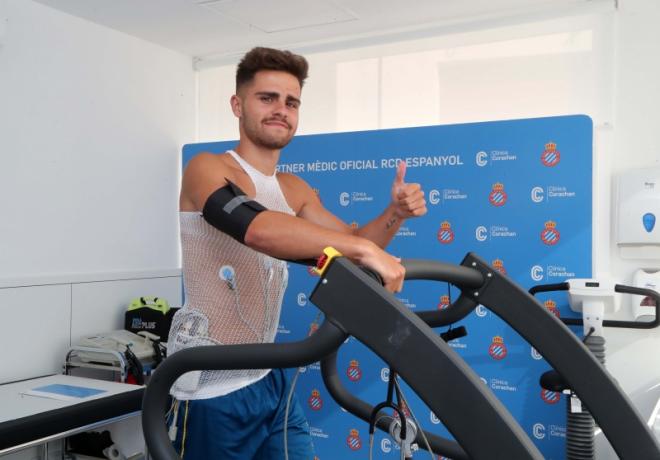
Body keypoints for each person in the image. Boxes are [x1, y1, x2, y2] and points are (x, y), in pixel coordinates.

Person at [167, 46, 427, 460]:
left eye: (291, 102)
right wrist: (358, 245)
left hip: (269, 376)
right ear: (238, 105)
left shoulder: (294, 190)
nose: (280, 110)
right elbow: (255, 229)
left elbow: (357, 242)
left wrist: (394, 214)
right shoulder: (207, 167)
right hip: (210, 388)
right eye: (266, 98)